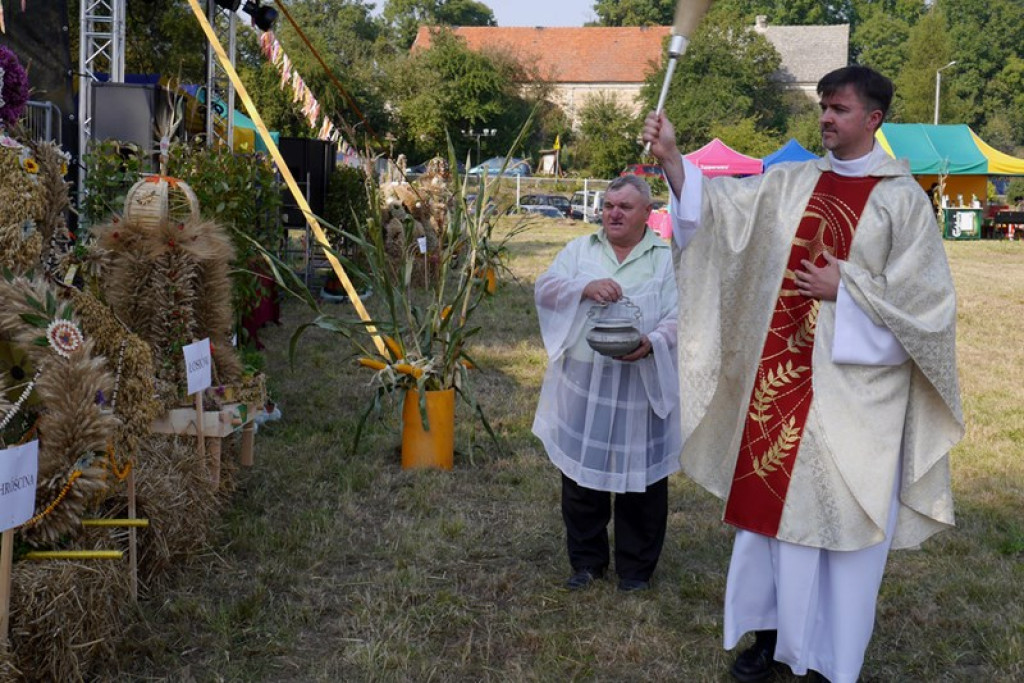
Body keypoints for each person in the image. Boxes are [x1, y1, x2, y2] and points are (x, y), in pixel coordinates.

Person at [643, 66, 964, 682]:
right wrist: (674, 159)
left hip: (855, 397)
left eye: (839, 109)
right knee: (771, 526)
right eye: (823, 107)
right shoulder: (792, 182)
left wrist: (847, 288)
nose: (825, 118)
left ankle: (827, 662)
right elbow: (722, 217)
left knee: (840, 531)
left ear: (873, 119)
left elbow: (929, 310)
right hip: (780, 382)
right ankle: (770, 640)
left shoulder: (901, 201)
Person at [533, 175, 683, 592]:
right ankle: (587, 562)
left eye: (625, 207)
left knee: (642, 479)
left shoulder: (665, 258)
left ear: (647, 213)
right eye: (609, 206)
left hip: (640, 381)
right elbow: (545, 288)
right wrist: (584, 286)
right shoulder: (580, 250)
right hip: (584, 378)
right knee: (582, 475)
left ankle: (635, 570)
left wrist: (652, 342)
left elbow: (681, 315)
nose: (614, 214)